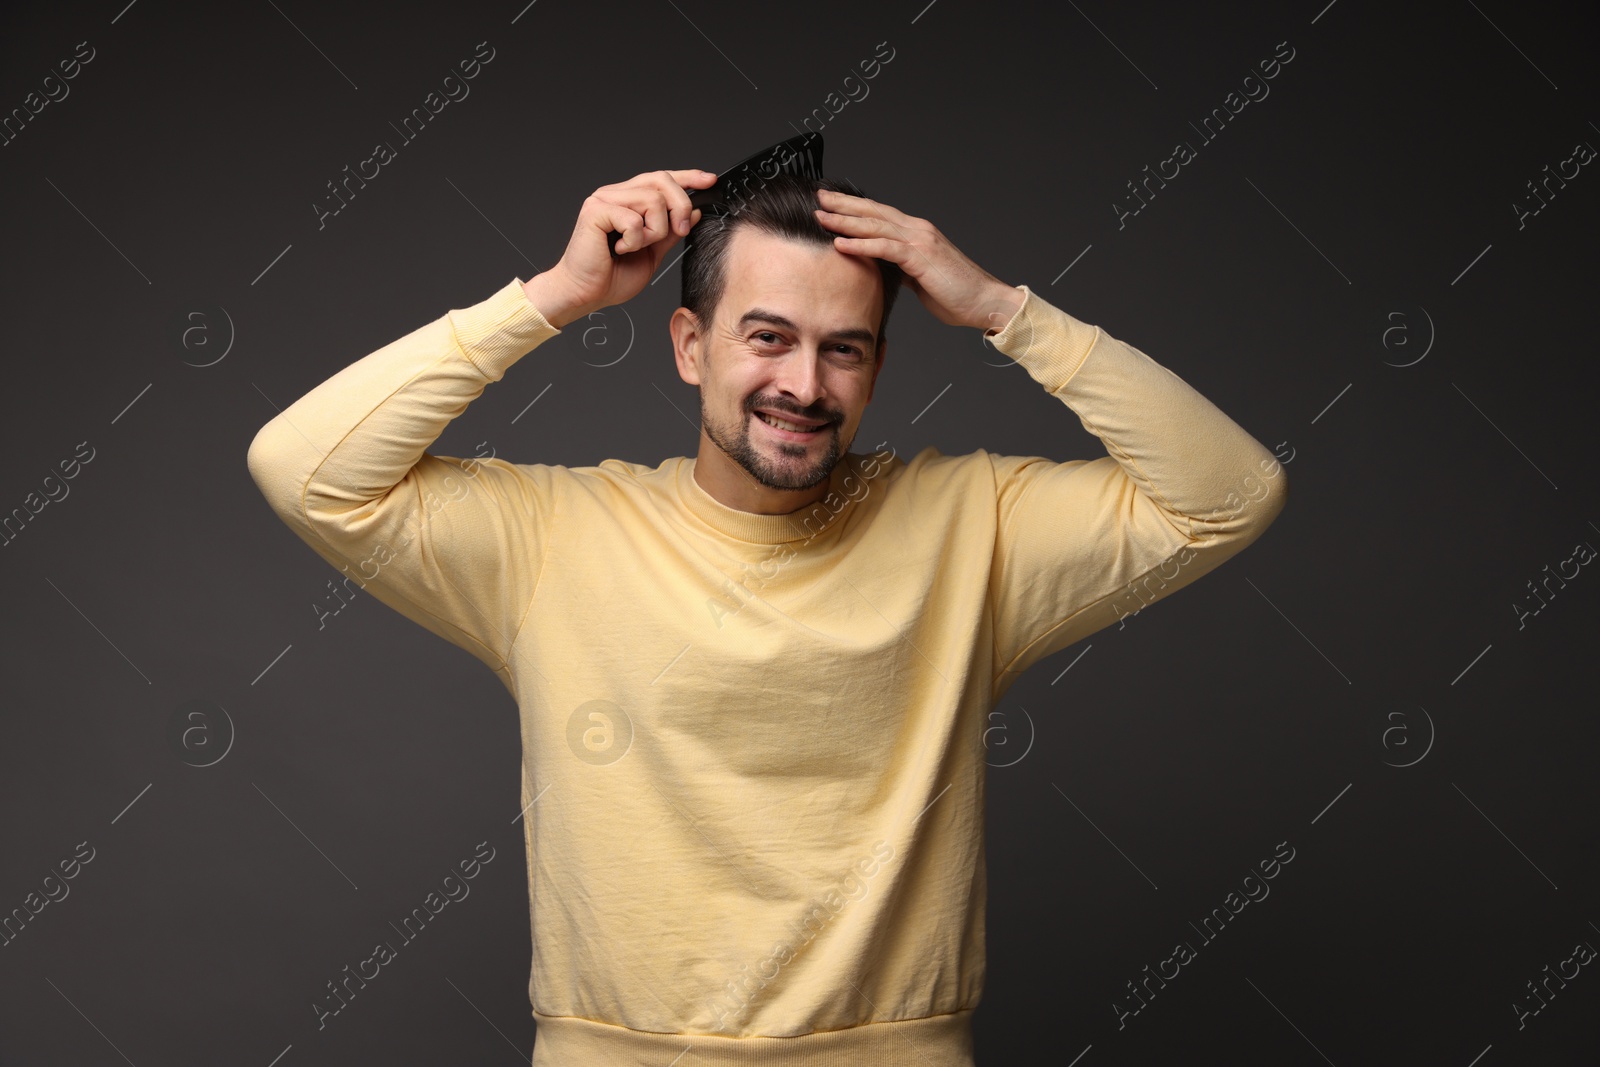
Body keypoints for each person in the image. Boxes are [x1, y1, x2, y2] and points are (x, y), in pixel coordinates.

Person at [247, 164, 1287, 1065]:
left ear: (877, 367)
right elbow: (305, 470)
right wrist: (554, 296)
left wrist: (1005, 311)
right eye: (768, 336)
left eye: (844, 348)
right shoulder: (552, 537)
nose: (802, 382)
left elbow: (1230, 493)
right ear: (690, 345)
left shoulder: (974, 526)